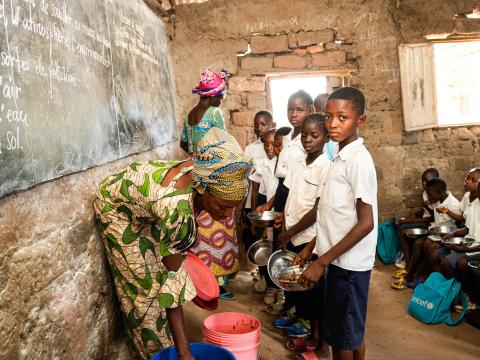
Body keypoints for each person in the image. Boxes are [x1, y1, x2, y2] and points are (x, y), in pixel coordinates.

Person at [94, 128, 252, 360]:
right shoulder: (177, 211)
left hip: (145, 206)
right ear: (203, 189)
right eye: (222, 206)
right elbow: (171, 286)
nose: (228, 216)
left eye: (234, 207)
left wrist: (178, 251)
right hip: (116, 209)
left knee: (163, 265)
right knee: (145, 292)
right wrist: (184, 351)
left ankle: (169, 341)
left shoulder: (200, 173)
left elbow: (180, 237)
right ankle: (152, 351)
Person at [295, 87, 377, 360]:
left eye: (343, 118)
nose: (333, 124)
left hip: (349, 265)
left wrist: (321, 262)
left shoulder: (359, 161)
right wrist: (313, 247)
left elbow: (366, 223)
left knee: (342, 339)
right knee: (348, 330)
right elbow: (333, 214)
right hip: (336, 259)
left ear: (360, 121)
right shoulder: (338, 157)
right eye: (329, 116)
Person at [277, 113, 331, 356]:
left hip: (309, 236)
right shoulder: (299, 164)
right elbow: (291, 197)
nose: (308, 139)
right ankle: (307, 329)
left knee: (313, 290)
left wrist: (290, 232)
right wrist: (283, 226)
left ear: (326, 138)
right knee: (298, 284)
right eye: (305, 135)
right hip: (292, 233)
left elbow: (316, 211)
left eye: (315, 135)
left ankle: (318, 337)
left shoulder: (325, 168)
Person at [393, 177, 461, 289]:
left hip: (447, 233)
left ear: (439, 192)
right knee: (418, 243)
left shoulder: (453, 204)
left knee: (428, 246)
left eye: (431, 194)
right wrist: (427, 208)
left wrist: (447, 213)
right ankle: (411, 274)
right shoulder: (438, 200)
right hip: (436, 231)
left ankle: (427, 278)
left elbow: (459, 222)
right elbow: (435, 216)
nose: (429, 197)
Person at [393, 168, 439, 279]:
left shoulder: (437, 194)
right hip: (426, 221)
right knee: (399, 225)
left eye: (426, 181)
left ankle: (409, 267)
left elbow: (433, 218)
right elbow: (425, 211)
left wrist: (411, 221)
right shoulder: (425, 193)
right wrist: (415, 215)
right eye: (423, 180)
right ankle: (409, 264)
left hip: (432, 224)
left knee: (403, 231)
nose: (424, 183)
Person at [241, 111, 276, 257]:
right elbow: (248, 182)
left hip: (271, 202)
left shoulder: (282, 154)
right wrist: (244, 207)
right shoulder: (251, 149)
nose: (260, 128)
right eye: (257, 125)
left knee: (271, 239)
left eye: (263, 124)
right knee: (255, 237)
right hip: (255, 201)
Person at [249, 129, 279, 296]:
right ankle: (269, 284)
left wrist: (269, 205)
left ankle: (278, 290)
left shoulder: (283, 165)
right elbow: (260, 193)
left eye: (273, 144)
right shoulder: (264, 165)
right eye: (265, 144)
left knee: (278, 250)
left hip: (280, 214)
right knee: (267, 247)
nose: (269, 147)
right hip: (268, 215)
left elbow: (282, 191)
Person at [180, 68, 228, 155]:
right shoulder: (214, 112)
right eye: (220, 98)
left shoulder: (189, 115)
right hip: (211, 166)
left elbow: (183, 144)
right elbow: (225, 142)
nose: (220, 102)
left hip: (195, 165)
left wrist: (195, 156)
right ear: (213, 97)